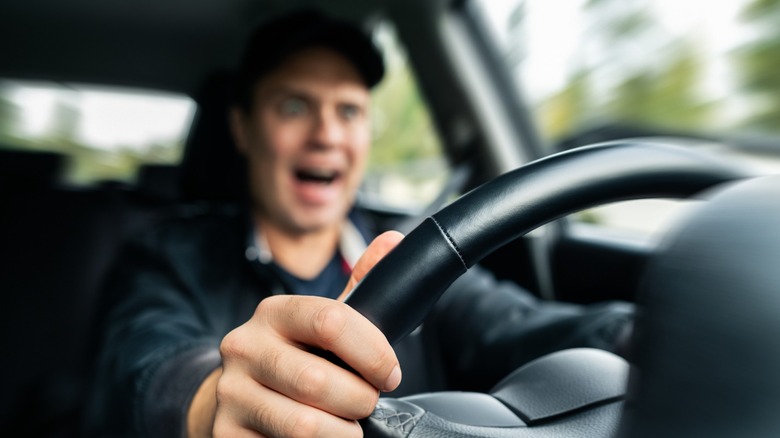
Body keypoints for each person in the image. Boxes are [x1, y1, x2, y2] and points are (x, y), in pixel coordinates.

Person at [86, 9, 634, 437]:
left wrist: (652, 331)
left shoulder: (410, 255)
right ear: (244, 129)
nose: (327, 133)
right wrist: (215, 403)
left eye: (348, 111)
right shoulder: (168, 253)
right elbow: (145, 362)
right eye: (295, 107)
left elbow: (519, 326)